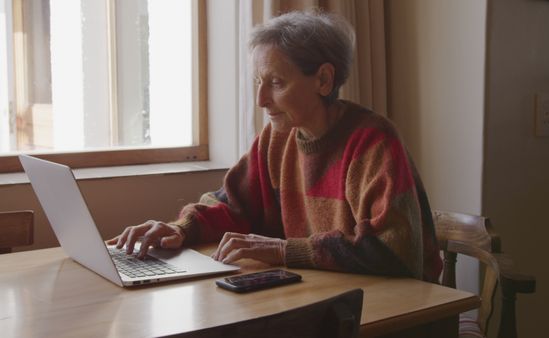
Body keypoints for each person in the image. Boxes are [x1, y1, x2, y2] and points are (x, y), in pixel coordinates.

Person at [107, 10, 442, 282]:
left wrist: (284, 251)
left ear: (324, 80)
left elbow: (395, 252)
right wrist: (181, 229)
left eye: (276, 83)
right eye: (258, 82)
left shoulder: (373, 142)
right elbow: (232, 204)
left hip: (400, 311)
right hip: (325, 297)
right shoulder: (276, 137)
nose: (260, 100)